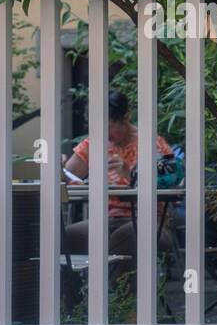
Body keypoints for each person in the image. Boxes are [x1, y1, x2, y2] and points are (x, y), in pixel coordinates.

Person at [62, 90, 178, 277]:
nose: (104, 134)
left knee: (125, 236)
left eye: (109, 126)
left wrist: (130, 173)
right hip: (104, 221)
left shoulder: (152, 144)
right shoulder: (94, 144)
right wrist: (58, 170)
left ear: (126, 117)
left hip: (150, 221)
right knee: (58, 239)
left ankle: (125, 304)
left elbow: (170, 181)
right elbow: (69, 175)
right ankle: (77, 303)